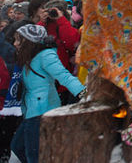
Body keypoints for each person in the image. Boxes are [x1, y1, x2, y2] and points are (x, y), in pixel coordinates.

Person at [10, 25, 84, 163]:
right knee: (17, 146)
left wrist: (82, 92)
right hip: (30, 109)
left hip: (41, 109)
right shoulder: (27, 57)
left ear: (29, 41)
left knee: (34, 155)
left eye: (18, 40)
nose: (15, 44)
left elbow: (64, 76)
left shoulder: (45, 56)